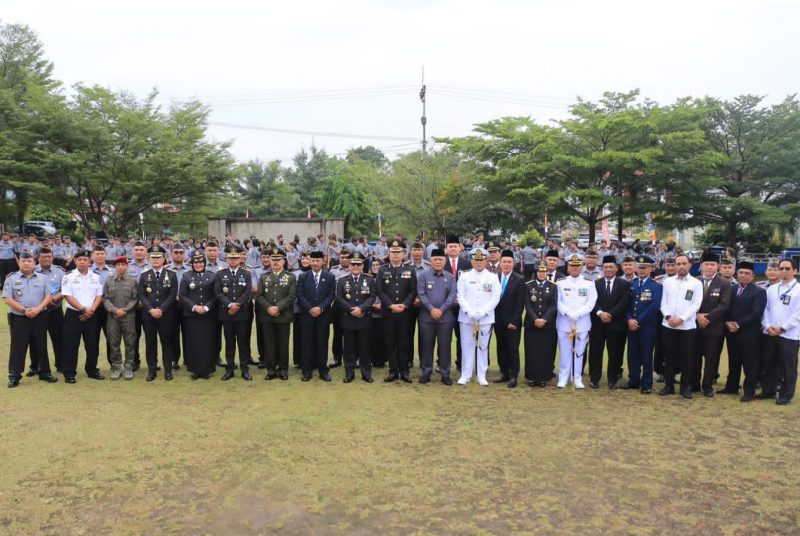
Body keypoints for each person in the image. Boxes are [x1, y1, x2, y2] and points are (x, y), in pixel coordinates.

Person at [4, 251, 56, 388]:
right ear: (19, 262)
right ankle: (14, 375)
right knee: (18, 347)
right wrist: (24, 310)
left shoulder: (43, 278)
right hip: (19, 317)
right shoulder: (11, 278)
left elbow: (48, 296)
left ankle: (44, 372)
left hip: (40, 316)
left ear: (35, 263)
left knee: (41, 344)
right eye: (23, 261)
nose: (26, 263)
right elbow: (7, 299)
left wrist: (38, 309)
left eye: (29, 261)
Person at [720, 261, 766, 401]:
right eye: (740, 273)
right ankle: (731, 387)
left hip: (749, 333)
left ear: (752, 276)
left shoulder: (759, 291)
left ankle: (749, 391)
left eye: (747, 273)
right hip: (731, 332)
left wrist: (738, 324)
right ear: (736, 274)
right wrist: (727, 322)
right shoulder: (731, 288)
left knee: (749, 363)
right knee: (733, 360)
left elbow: (756, 313)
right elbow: (725, 307)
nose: (743, 275)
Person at [659, 254, 703, 399]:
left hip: (687, 327)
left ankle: (685, 387)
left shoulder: (696, 283)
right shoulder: (668, 282)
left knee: (686, 358)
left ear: (690, 265)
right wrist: (668, 316)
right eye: (678, 264)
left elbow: (696, 304)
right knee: (669, 357)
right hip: (668, 325)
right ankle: (669, 385)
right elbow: (663, 303)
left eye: (684, 263)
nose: (681, 266)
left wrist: (681, 319)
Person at [456, 248, 501, 385]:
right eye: (476, 260)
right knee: (466, 345)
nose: (479, 262)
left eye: (481, 260)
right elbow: (460, 296)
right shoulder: (464, 276)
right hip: (467, 317)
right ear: (472, 261)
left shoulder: (492, 277)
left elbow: (495, 297)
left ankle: (481, 375)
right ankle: (466, 374)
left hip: (485, 318)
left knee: (483, 347)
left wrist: (482, 312)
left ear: (486, 260)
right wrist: (470, 312)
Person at [760, 258, 800, 405]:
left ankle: (786, 395)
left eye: (787, 269)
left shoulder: (798, 290)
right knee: (769, 363)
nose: (783, 271)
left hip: (789, 335)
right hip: (769, 333)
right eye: (781, 268)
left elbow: (798, 314)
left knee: (787, 366)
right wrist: (768, 325)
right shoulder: (771, 289)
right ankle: (768, 390)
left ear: (795, 271)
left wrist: (782, 327)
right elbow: (765, 310)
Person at [61, 249, 105, 383]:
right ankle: (69, 372)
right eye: (79, 259)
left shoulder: (96, 276)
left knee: (92, 344)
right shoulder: (68, 276)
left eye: (85, 260)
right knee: (71, 344)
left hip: (92, 314)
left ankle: (92, 370)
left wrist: (91, 310)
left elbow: (99, 295)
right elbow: (67, 296)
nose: (82, 262)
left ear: (89, 261)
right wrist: (83, 309)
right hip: (74, 314)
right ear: (75, 261)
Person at [692, 252, 732, 397]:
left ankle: (707, 385)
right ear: (701, 266)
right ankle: (694, 384)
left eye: (712, 264)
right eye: (706, 264)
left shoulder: (724, 283)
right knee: (694, 357)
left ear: (718, 266)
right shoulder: (694, 281)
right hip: (694, 326)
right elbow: (688, 303)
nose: (709, 267)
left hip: (713, 328)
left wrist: (707, 318)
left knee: (711, 359)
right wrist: (697, 316)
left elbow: (724, 305)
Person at [377, 240, 417, 383]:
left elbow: (413, 291)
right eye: (393, 252)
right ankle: (393, 371)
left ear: (403, 254)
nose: (395, 255)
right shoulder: (382, 270)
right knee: (391, 342)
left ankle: (405, 371)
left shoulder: (410, 270)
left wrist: (404, 305)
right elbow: (380, 291)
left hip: (405, 313)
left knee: (404, 342)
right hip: (389, 313)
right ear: (389, 253)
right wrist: (391, 305)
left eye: (398, 252)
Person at [589, 255, 631, 389]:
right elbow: (591, 302)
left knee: (615, 354)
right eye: (605, 267)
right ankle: (594, 379)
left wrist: (610, 314)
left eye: (611, 267)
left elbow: (624, 303)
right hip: (598, 323)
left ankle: (612, 379)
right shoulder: (595, 284)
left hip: (616, 324)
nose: (608, 269)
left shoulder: (624, 284)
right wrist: (600, 313)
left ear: (616, 268)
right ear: (602, 269)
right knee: (595, 352)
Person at [555, 254, 598, 389]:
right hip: (564, 322)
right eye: (572, 265)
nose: (574, 268)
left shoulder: (589, 283)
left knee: (579, 352)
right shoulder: (560, 282)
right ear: (568, 267)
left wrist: (578, 313)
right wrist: (568, 312)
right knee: (565, 352)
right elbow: (557, 301)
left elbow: (591, 302)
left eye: (577, 265)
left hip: (582, 323)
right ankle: (563, 377)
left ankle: (577, 377)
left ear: (582, 266)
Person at [416, 248, 457, 385]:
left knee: (445, 346)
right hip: (427, 318)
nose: (438, 262)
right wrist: (432, 309)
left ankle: (445, 373)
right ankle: (426, 371)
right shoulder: (424, 276)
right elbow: (421, 294)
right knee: (427, 346)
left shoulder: (450, 277)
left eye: (440, 259)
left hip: (445, 318)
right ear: (430, 261)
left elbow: (452, 296)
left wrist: (441, 309)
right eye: (435, 259)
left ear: (445, 261)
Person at [621, 256, 662, 393]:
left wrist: (638, 321)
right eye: (639, 267)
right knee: (632, 355)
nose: (641, 270)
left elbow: (654, 307)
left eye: (645, 268)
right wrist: (629, 320)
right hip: (631, 325)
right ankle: (633, 380)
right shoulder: (630, 284)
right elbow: (625, 305)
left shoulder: (656, 286)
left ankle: (647, 384)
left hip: (647, 327)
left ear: (651, 269)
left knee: (646, 355)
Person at [255, 247, 296, 381]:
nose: (276, 262)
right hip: (267, 316)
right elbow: (259, 296)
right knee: (269, 344)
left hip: (283, 316)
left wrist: (278, 308)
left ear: (284, 261)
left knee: (283, 344)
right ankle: (271, 369)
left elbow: (291, 296)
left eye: (278, 260)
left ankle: (283, 369)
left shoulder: (291, 277)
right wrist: (269, 308)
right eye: (273, 260)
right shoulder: (264, 276)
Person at [138, 245, 179, 381]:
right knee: (150, 343)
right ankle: (152, 370)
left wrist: (161, 309)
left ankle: (168, 370)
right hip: (149, 315)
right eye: (153, 257)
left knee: (166, 342)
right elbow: (142, 295)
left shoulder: (171, 275)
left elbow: (172, 295)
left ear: (164, 259)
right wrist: (151, 309)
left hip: (166, 315)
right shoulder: (144, 276)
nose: (155, 260)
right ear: (149, 259)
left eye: (158, 257)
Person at [334, 252, 375, 383]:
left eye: (358, 264)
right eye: (353, 264)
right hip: (348, 318)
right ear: (349, 265)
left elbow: (372, 297)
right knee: (349, 349)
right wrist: (351, 310)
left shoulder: (369, 279)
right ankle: (349, 373)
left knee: (365, 348)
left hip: (364, 318)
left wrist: (361, 309)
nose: (356, 266)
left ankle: (366, 373)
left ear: (362, 265)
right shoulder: (342, 280)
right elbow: (339, 298)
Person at [213, 245, 253, 381]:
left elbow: (247, 292)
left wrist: (237, 305)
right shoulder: (220, 274)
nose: (234, 260)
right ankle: (229, 369)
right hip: (227, 313)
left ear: (240, 258)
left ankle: (244, 369)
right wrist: (229, 304)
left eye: (236, 258)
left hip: (242, 313)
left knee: (243, 343)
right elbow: (217, 292)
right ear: (226, 259)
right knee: (229, 343)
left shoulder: (246, 273)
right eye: (231, 258)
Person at [296, 250, 335, 381]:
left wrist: (321, 308)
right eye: (312, 260)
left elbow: (331, 295)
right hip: (307, 315)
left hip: (323, 316)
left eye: (318, 260)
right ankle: (306, 371)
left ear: (323, 261)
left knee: (322, 343)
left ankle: (323, 370)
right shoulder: (303, 277)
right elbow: (300, 295)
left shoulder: (329, 276)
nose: (315, 263)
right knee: (307, 343)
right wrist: (310, 308)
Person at [180, 252, 218, 380]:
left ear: (205, 263)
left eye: (201, 262)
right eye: (195, 262)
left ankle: (207, 368)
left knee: (207, 341)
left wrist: (206, 307)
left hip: (208, 315)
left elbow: (215, 295)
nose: (198, 264)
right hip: (192, 314)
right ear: (192, 264)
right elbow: (183, 296)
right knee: (193, 342)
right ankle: (195, 369)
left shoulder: (212, 276)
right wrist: (195, 307)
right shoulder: (186, 276)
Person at [103, 256, 139, 380]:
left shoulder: (132, 281)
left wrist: (125, 310)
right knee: (113, 343)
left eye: (123, 265)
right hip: (113, 317)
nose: (121, 267)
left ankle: (128, 367)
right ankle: (116, 367)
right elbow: (105, 299)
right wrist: (114, 310)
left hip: (128, 316)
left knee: (130, 342)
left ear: (127, 266)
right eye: (118, 265)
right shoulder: (108, 281)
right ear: (115, 267)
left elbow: (135, 298)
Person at [493, 250, 525, 387]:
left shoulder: (519, 279)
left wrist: (515, 320)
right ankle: (503, 372)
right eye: (504, 262)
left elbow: (520, 303)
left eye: (509, 262)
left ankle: (513, 375)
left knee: (512, 348)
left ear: (513, 263)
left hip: (512, 320)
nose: (506, 264)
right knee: (501, 347)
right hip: (497, 319)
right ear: (500, 263)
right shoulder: (494, 277)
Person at [523, 261, 558, 387]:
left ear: (547, 272)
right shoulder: (528, 285)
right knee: (531, 351)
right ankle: (531, 377)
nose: (542, 273)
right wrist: (535, 319)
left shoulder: (553, 286)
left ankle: (544, 377)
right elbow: (527, 304)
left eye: (544, 271)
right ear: (536, 272)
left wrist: (544, 319)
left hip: (547, 325)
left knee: (546, 351)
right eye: (539, 271)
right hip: (531, 325)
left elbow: (554, 305)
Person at [34, 247, 65, 374]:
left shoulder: (60, 272)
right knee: (37, 340)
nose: (47, 259)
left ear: (52, 257)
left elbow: (65, 289)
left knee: (59, 339)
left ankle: (61, 364)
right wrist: (44, 302)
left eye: (49, 256)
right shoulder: (32, 270)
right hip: (38, 312)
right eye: (43, 257)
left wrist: (54, 299)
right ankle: (36, 366)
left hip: (55, 310)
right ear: (38, 258)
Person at [445, 236, 471, 371]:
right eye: (450, 246)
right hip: (446, 307)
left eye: (455, 246)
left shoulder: (467, 263)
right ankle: (442, 363)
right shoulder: (441, 263)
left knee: (462, 336)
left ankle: (461, 362)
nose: (453, 248)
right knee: (445, 336)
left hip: (462, 307)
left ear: (460, 248)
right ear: (446, 249)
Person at [167, 243, 190, 369]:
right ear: (171, 254)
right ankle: (174, 359)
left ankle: (189, 359)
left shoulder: (190, 269)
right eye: (176, 252)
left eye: (181, 252)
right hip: (171, 306)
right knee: (173, 334)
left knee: (188, 333)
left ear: (184, 253)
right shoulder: (166, 269)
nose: (178, 254)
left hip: (187, 306)